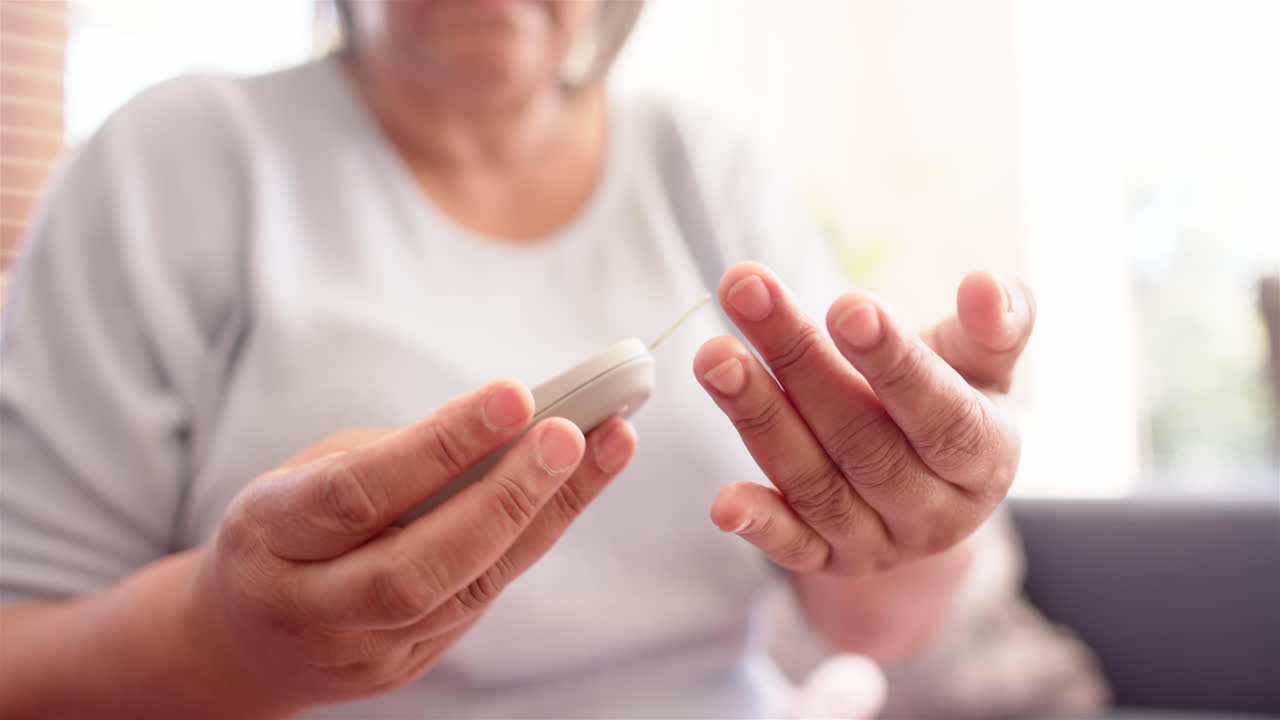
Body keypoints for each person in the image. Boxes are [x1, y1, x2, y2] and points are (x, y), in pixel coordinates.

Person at [0, 2, 1076, 717]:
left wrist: (909, 506)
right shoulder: (177, 160)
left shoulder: (704, 167)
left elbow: (870, 620)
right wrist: (218, 638)